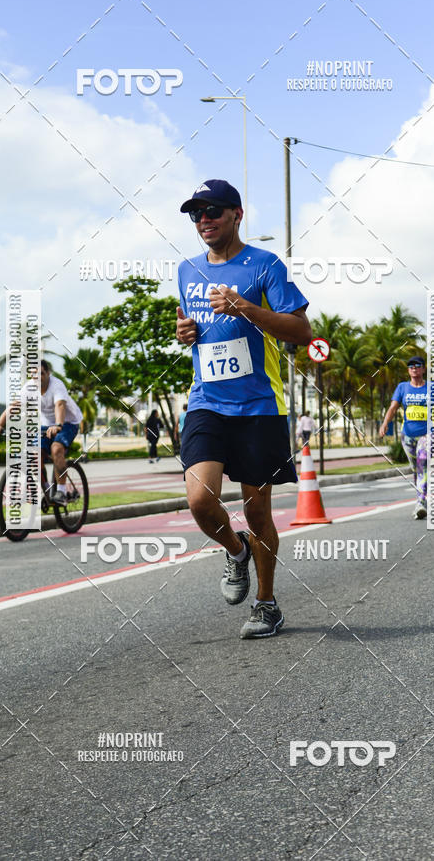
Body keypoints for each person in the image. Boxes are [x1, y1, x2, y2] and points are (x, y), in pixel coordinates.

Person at [176, 179, 311, 639]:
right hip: (207, 401)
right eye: (196, 213)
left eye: (213, 210)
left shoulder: (265, 264)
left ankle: (267, 604)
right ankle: (237, 552)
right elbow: (196, 325)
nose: (204, 220)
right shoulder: (187, 270)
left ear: (237, 214)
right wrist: (186, 333)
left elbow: (300, 330)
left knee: (258, 513)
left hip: (258, 406)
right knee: (199, 499)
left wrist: (247, 309)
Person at [0, 359, 83, 505]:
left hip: (68, 423)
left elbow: (60, 405)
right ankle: (47, 490)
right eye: (34, 375)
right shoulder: (29, 388)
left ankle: (61, 491)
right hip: (47, 425)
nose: (37, 378)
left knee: (56, 449)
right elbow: (15, 406)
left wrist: (58, 425)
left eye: (41, 374)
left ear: (48, 373)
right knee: (35, 454)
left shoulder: (57, 385)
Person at [379, 355, 432, 520]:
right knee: (416, 469)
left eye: (417, 365)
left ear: (423, 368)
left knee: (422, 464)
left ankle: (421, 503)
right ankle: (420, 500)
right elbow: (393, 407)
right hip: (407, 435)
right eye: (410, 366)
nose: (414, 368)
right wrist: (385, 423)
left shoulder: (432, 387)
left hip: (427, 434)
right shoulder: (402, 387)